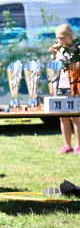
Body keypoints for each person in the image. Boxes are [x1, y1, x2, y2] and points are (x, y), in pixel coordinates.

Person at [51, 23, 80, 154]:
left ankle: (79, 145)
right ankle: (67, 145)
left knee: (76, 117)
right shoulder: (59, 50)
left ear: (70, 36)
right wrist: (54, 55)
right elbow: (55, 68)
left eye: (62, 37)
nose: (59, 41)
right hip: (61, 86)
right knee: (63, 117)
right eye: (57, 38)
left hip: (75, 86)